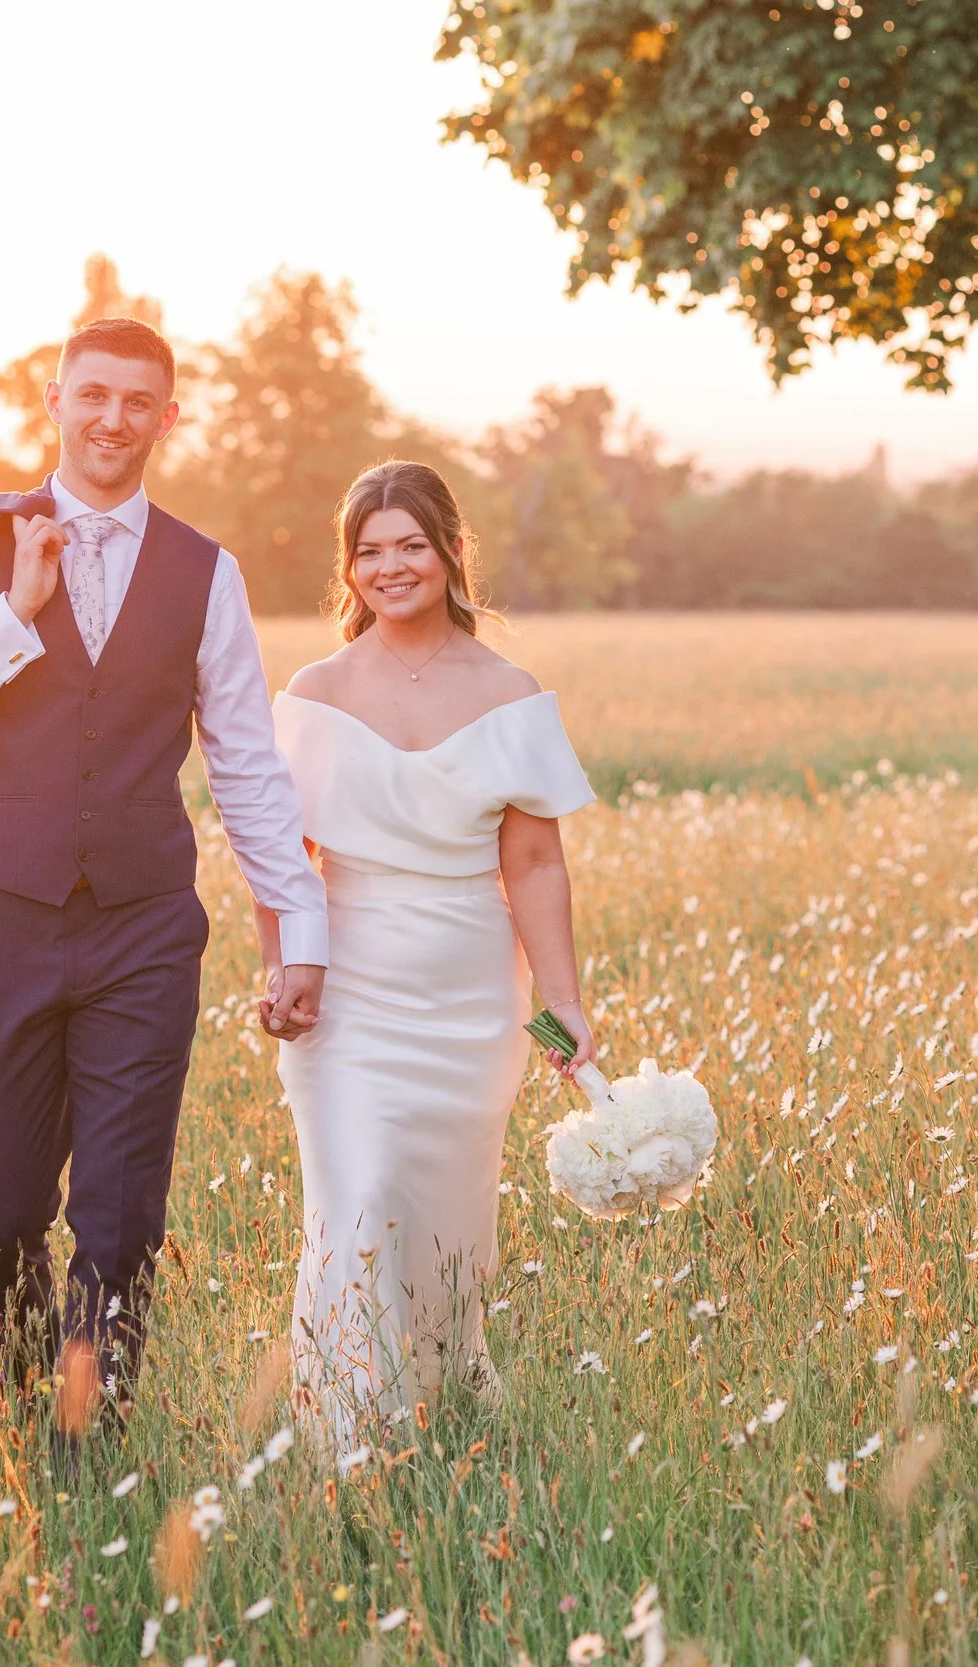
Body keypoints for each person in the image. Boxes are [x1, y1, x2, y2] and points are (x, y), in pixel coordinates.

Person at [0, 317, 329, 1433]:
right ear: (52, 400)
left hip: (145, 927)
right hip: (1, 920)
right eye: (91, 395)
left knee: (122, 1209)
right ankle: (26, 1379)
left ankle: (90, 1427)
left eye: (137, 401)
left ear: (167, 416)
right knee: (0, 1205)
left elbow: (245, 765)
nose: (112, 419)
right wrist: (15, 616)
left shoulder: (206, 571)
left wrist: (302, 934)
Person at [263, 459, 598, 1443]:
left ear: (452, 552)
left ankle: (445, 1395)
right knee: (356, 1191)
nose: (390, 566)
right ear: (348, 568)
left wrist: (562, 1002)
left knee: (446, 1220)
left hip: (467, 992)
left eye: (411, 545)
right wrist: (287, 963)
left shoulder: (508, 691)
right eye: (368, 552)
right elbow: (281, 855)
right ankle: (348, 1440)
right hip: (346, 985)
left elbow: (534, 863)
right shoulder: (315, 693)